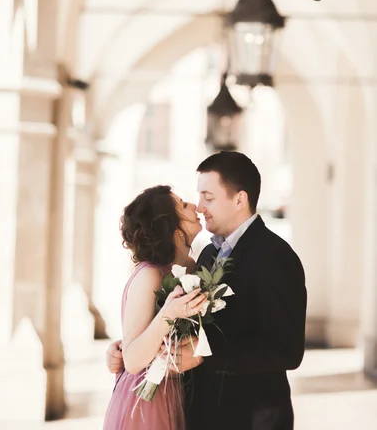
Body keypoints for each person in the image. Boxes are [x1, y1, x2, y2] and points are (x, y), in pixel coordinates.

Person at [107, 152, 307, 430]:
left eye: (208, 197)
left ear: (240, 199)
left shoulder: (276, 256)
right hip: (199, 413)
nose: (200, 207)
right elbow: (181, 325)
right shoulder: (205, 256)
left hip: (252, 418)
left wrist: (203, 355)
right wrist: (128, 344)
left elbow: (287, 351)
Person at [102, 184, 207, 430]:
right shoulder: (150, 274)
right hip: (144, 399)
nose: (194, 205)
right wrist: (168, 314)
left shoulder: (192, 267)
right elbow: (133, 359)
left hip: (175, 391)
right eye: (183, 205)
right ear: (174, 228)